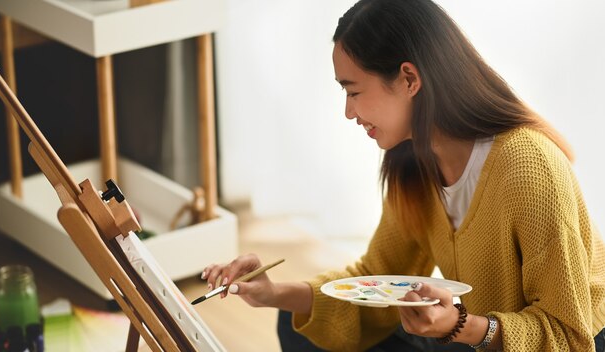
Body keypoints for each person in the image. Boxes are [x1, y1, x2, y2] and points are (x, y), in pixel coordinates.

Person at [201, 0, 605, 350]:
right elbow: (371, 277)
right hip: (473, 333)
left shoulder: (527, 166)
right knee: (298, 327)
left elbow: (568, 336)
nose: (348, 112)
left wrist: (462, 326)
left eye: (354, 91)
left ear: (410, 79)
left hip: (574, 339)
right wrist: (271, 293)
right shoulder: (413, 159)